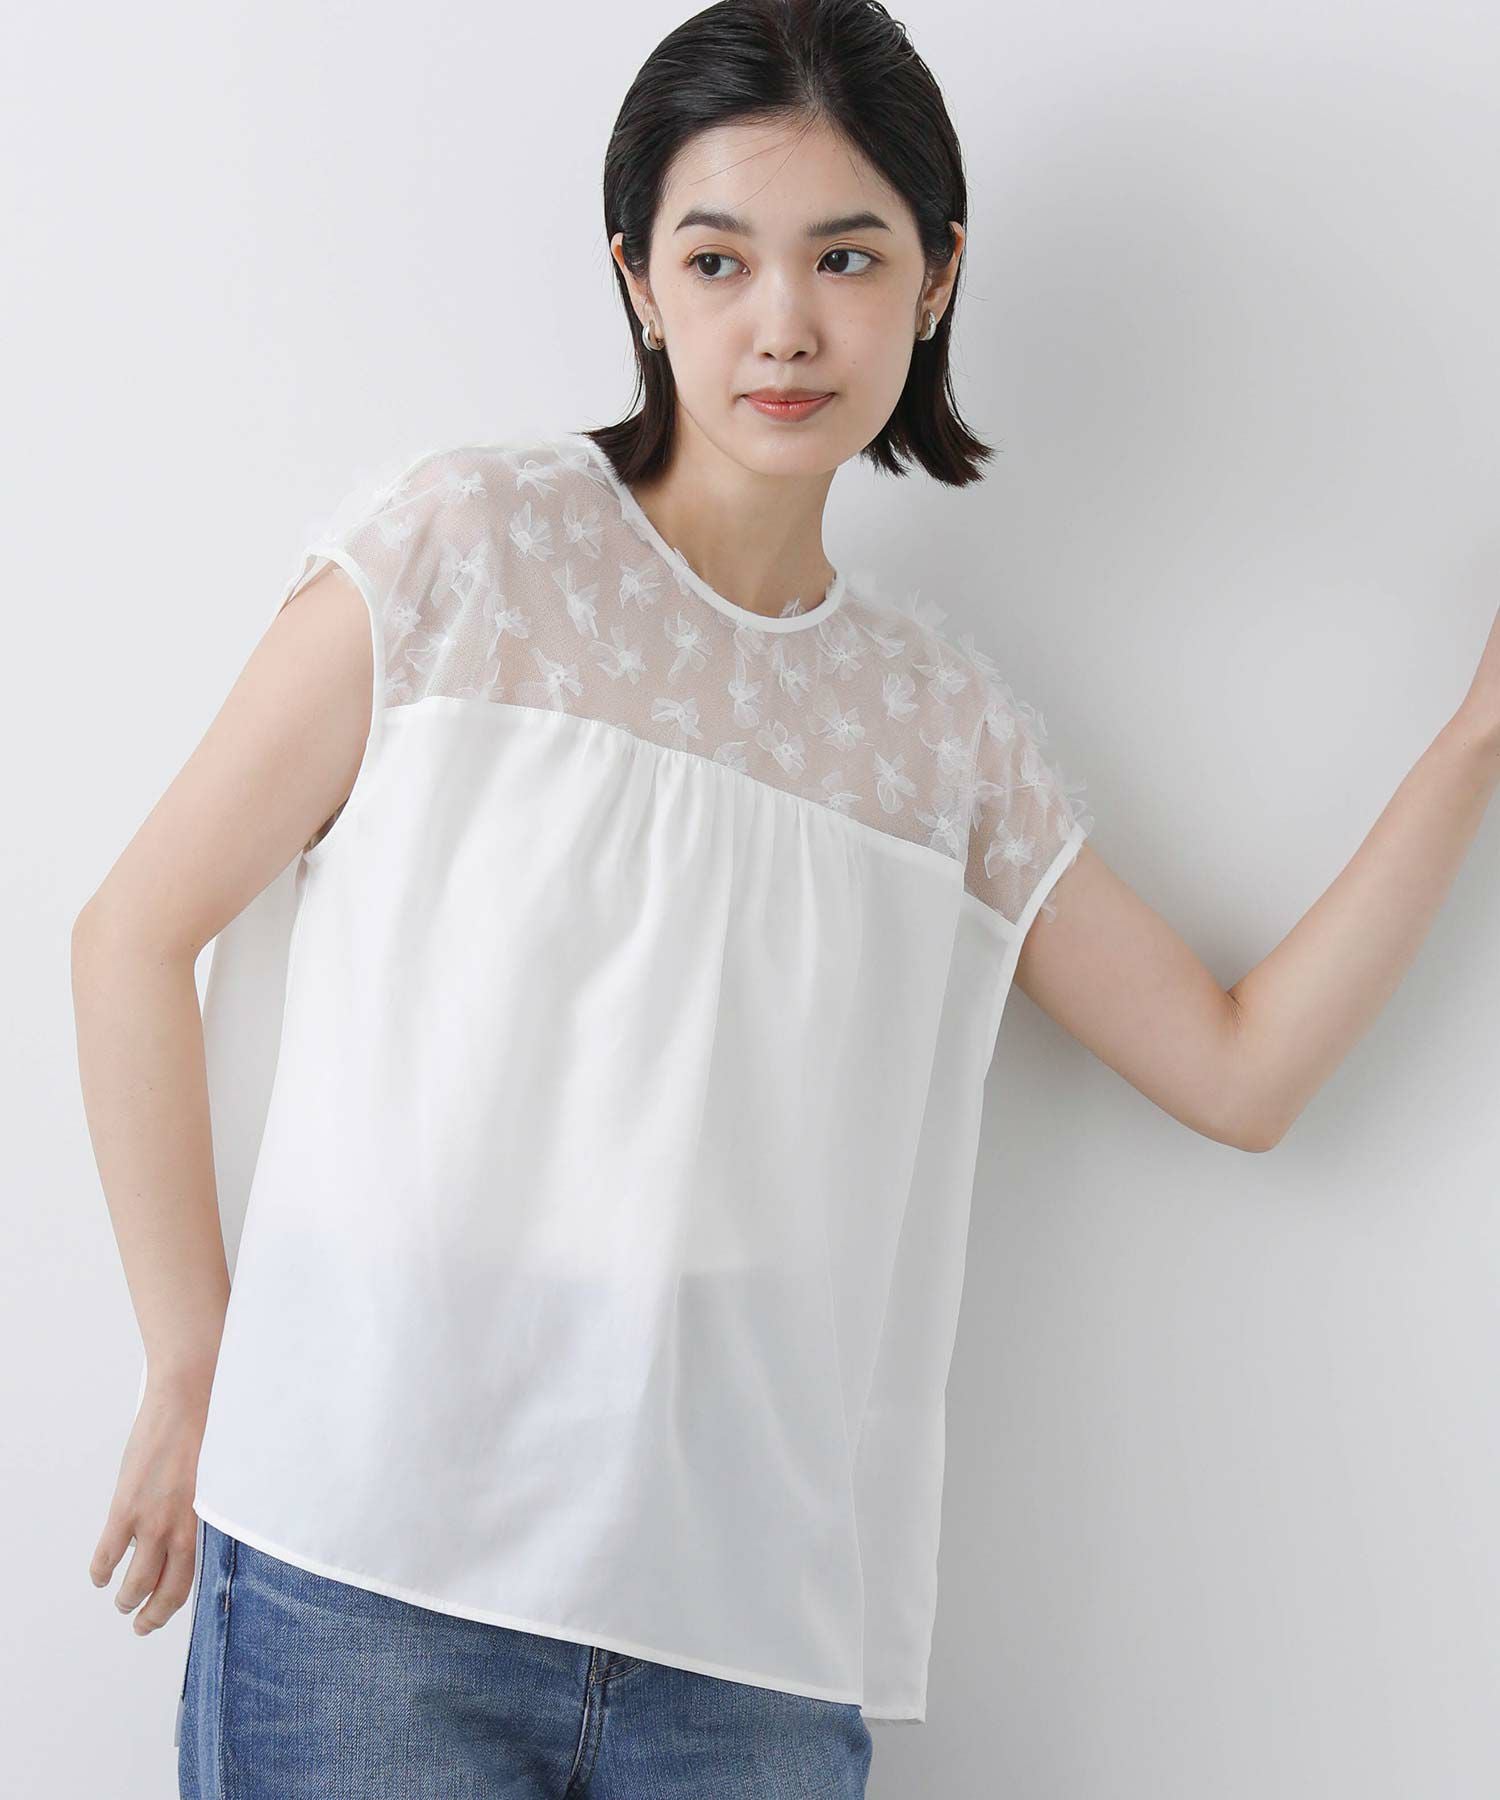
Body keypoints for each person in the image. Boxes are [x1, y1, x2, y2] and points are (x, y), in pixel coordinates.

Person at [71, 2, 1500, 1796]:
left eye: (846, 255)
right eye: (717, 258)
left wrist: (1478, 734)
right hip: (369, 1581)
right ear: (638, 280)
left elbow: (1241, 1070)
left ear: (937, 275)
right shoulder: (464, 554)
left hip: (739, 1657)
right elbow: (132, 934)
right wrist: (191, 1363)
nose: (784, 323)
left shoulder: (937, 728)